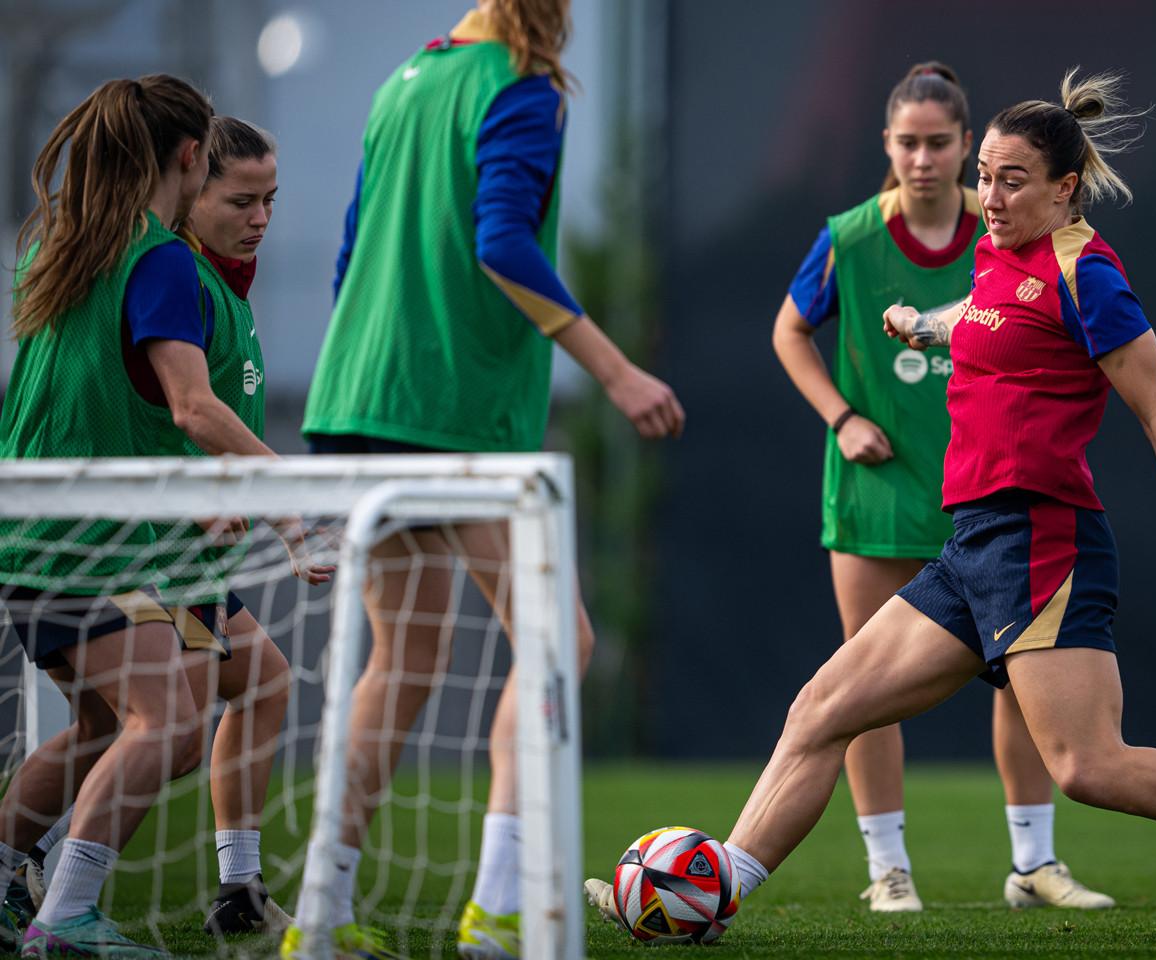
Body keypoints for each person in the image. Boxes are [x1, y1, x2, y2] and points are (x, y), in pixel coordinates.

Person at [590, 68, 1156, 939]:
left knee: (1087, 766)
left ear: (1065, 189)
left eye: (1010, 179)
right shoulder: (996, 253)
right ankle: (711, 899)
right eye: (982, 173)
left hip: (1044, 541)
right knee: (819, 711)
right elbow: (988, 313)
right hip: (972, 544)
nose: (987, 193)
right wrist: (926, 324)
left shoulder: (1087, 272)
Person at [285, 2, 683, 958]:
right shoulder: (520, 85)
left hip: (356, 397)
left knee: (404, 662)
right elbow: (501, 242)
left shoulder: (406, 79)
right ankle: (499, 908)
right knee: (559, 644)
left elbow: (351, 255)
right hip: (449, 410)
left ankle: (319, 919)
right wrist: (618, 370)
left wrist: (372, 375)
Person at [772, 60, 1111, 913]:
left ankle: (1032, 863)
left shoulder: (1007, 230)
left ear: (967, 147)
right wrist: (842, 418)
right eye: (908, 143)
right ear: (886, 146)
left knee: (1021, 680)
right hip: (879, 492)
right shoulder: (850, 235)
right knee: (859, 691)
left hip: (991, 493)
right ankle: (889, 868)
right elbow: (788, 330)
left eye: (940, 143)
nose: (924, 159)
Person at [0, 76, 306, 959]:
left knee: (124, 727)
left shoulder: (62, 244)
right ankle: (64, 916)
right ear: (187, 159)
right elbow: (190, 407)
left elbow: (105, 403)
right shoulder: (162, 260)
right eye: (231, 185)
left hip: (45, 534)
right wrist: (292, 502)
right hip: (94, 544)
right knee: (166, 724)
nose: (255, 213)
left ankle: (22, 884)